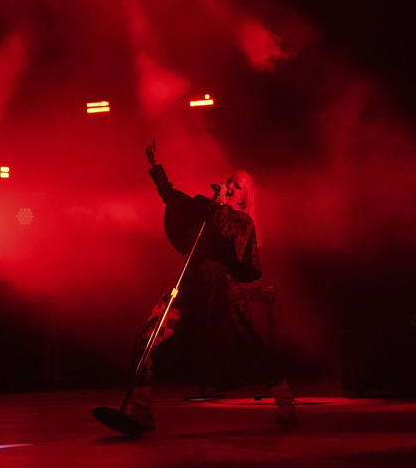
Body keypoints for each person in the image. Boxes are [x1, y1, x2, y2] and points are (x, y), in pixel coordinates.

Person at [109, 142, 296, 434]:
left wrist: (219, 205)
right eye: (229, 181)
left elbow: (226, 236)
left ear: (245, 197)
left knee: (250, 351)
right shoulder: (205, 210)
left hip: (222, 298)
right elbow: (171, 197)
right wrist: (155, 165)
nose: (230, 186)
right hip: (188, 293)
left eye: (237, 186)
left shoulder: (241, 221)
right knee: (147, 340)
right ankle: (141, 411)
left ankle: (285, 399)